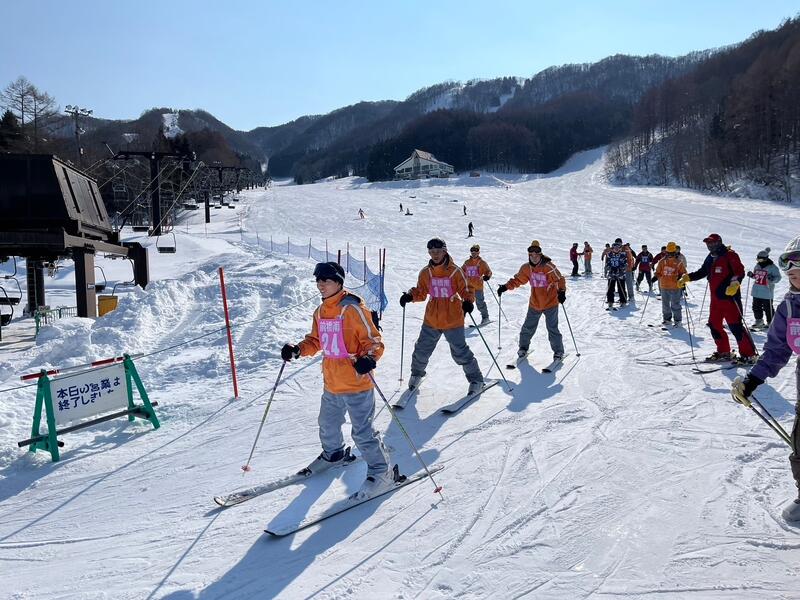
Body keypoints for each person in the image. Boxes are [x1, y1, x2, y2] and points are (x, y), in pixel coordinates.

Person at [281, 262, 392, 498]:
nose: (321, 284)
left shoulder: (352, 309)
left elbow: (374, 340)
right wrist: (297, 350)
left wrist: (370, 358)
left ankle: (382, 471)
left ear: (339, 282)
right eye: (318, 280)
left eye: (326, 280)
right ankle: (334, 454)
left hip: (356, 382)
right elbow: (315, 341)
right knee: (327, 424)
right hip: (332, 381)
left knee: (362, 432)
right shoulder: (321, 311)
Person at [731, 237, 800, 520]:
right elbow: (776, 350)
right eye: (791, 275)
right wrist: (752, 380)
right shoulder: (789, 307)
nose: (794, 278)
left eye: (799, 273)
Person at [400, 238, 484, 396]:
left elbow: (467, 289)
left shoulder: (454, 271)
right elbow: (421, 291)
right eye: (431, 252)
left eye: (438, 251)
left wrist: (468, 301)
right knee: (421, 350)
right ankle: (416, 374)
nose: (435, 255)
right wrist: (410, 297)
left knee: (459, 351)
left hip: (453, 318)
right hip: (432, 318)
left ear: (445, 251)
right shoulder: (426, 272)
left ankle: (476, 379)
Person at [679, 233, 756, 363]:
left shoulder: (730, 255)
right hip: (715, 300)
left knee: (736, 326)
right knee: (714, 325)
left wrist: (735, 284)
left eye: (713, 242)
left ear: (719, 242)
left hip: (730, 299)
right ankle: (724, 351)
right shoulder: (710, 257)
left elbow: (739, 272)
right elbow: (703, 271)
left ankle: (749, 355)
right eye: (708, 243)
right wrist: (688, 277)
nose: (710, 245)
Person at [497, 240, 566, 360]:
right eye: (531, 255)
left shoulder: (548, 267)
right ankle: (523, 348)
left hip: (550, 303)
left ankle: (558, 351)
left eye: (536, 255)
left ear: (540, 255)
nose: (534, 257)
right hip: (535, 303)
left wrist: (562, 292)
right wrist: (505, 287)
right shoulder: (526, 268)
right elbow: (518, 280)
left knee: (552, 328)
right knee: (528, 327)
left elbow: (559, 279)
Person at [747, 247, 782, 329]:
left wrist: (772, 279)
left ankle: (771, 322)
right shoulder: (757, 265)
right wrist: (752, 275)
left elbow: (778, 277)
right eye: (757, 259)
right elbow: (757, 276)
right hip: (756, 291)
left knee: (768, 308)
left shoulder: (772, 267)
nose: (759, 261)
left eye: (760, 260)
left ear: (765, 259)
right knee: (756, 307)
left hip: (767, 291)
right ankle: (759, 321)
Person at [655, 242, 687, 326]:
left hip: (675, 286)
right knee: (665, 304)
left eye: (672, 253)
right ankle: (667, 319)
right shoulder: (662, 261)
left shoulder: (679, 262)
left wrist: (681, 278)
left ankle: (678, 320)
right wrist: (656, 276)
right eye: (668, 253)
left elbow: (684, 273)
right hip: (664, 286)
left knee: (675, 304)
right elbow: (658, 272)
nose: (670, 255)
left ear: (675, 252)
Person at [462, 244, 492, 326]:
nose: (473, 252)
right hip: (469, 287)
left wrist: (487, 276)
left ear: (478, 252)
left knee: (480, 303)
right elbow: (461, 271)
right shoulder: (467, 262)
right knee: (466, 304)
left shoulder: (482, 263)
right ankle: (460, 321)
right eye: (472, 250)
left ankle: (485, 318)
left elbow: (488, 271)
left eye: (475, 251)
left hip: (478, 287)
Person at [605, 242, 628, 307]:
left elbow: (625, 264)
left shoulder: (623, 255)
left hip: (620, 274)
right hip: (612, 274)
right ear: (612, 248)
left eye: (618, 248)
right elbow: (607, 263)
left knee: (621, 288)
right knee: (610, 288)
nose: (616, 249)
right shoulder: (609, 254)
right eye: (615, 248)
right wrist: (610, 268)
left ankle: (623, 301)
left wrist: (620, 269)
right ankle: (610, 301)